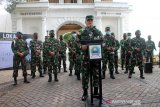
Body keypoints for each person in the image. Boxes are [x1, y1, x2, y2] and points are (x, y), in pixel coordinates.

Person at [79, 15, 103, 101]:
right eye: (88, 20)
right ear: (85, 21)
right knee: (85, 76)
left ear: (93, 21)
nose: (90, 22)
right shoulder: (81, 32)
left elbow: (102, 43)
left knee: (96, 75)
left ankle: (95, 91)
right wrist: (81, 47)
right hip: (85, 58)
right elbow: (76, 43)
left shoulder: (98, 32)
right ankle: (85, 93)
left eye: (91, 20)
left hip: (95, 58)